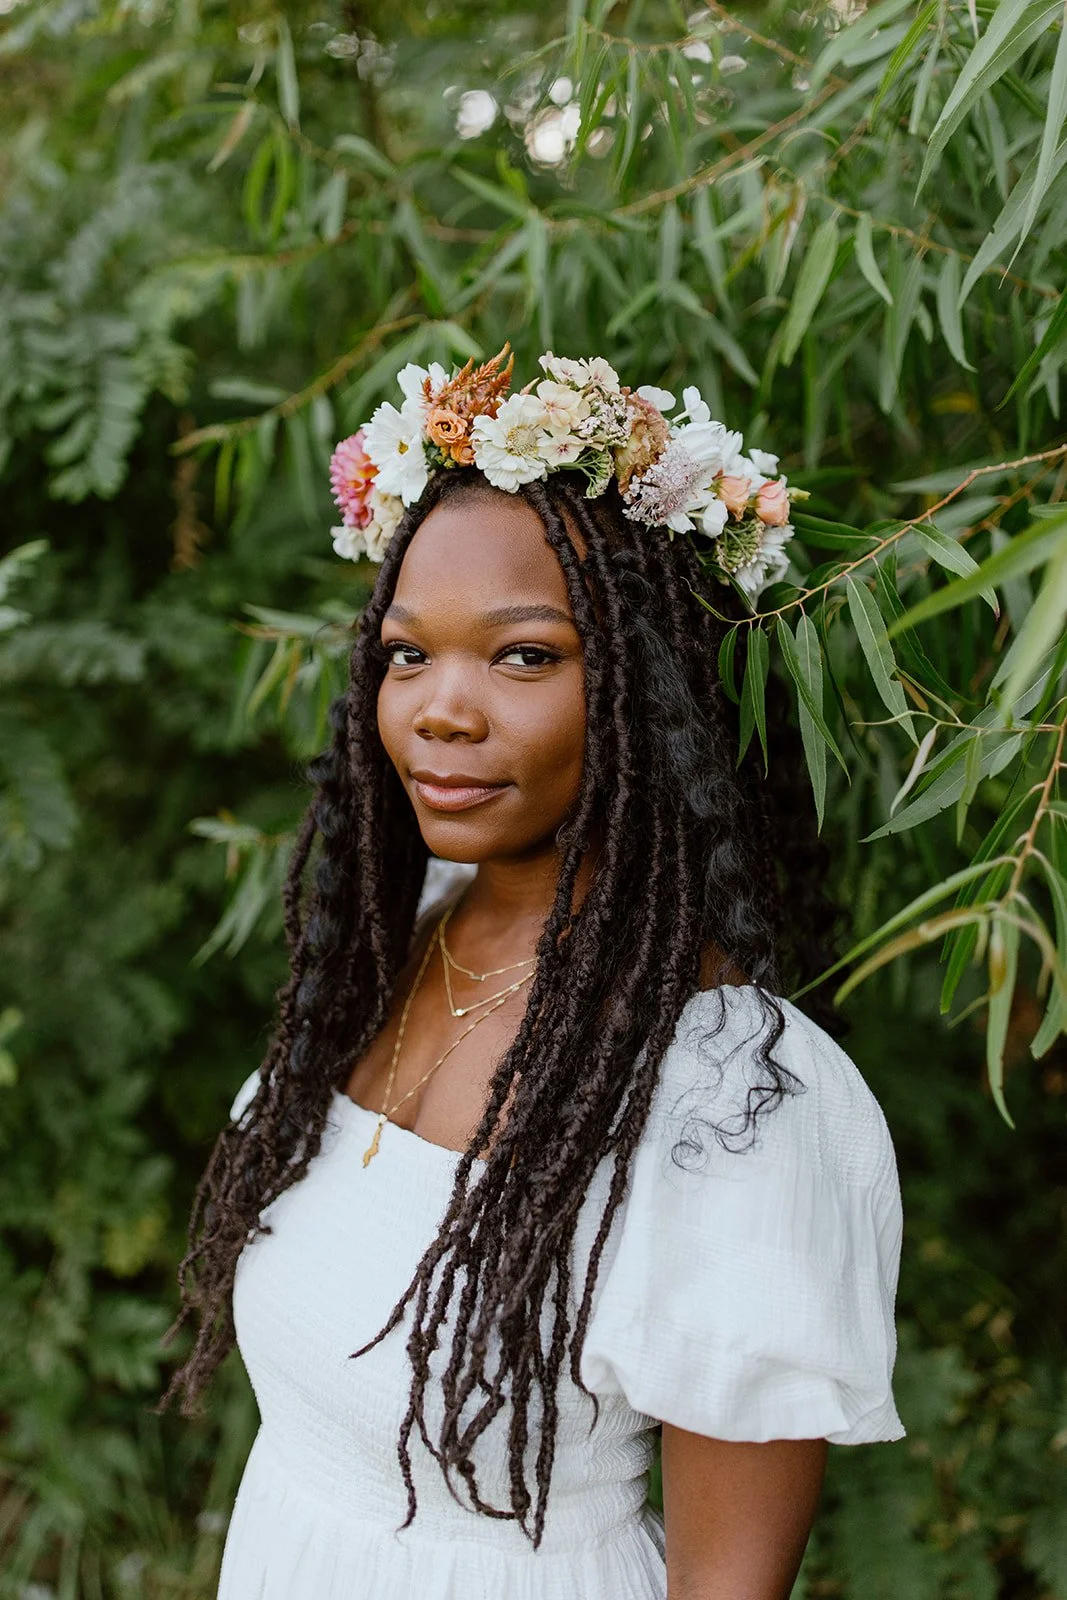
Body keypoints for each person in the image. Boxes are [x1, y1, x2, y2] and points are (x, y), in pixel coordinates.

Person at [157, 350, 904, 1600]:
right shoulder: (401, 941)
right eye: (406, 655)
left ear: (651, 687)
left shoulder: (728, 1100)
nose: (440, 709)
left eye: (522, 656)